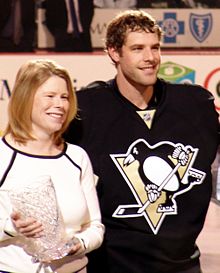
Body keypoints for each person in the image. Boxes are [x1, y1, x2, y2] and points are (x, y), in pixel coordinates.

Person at [64, 10, 220, 273]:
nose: (150, 58)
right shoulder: (86, 111)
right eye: (137, 48)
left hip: (183, 266)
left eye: (155, 47)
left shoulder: (194, 105)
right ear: (114, 52)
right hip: (112, 266)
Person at [0, 59, 104, 273]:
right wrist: (12, 229)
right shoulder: (2, 155)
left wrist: (80, 244)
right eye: (50, 96)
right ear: (25, 98)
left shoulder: (77, 157)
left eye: (64, 97)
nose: (60, 104)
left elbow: (95, 227)